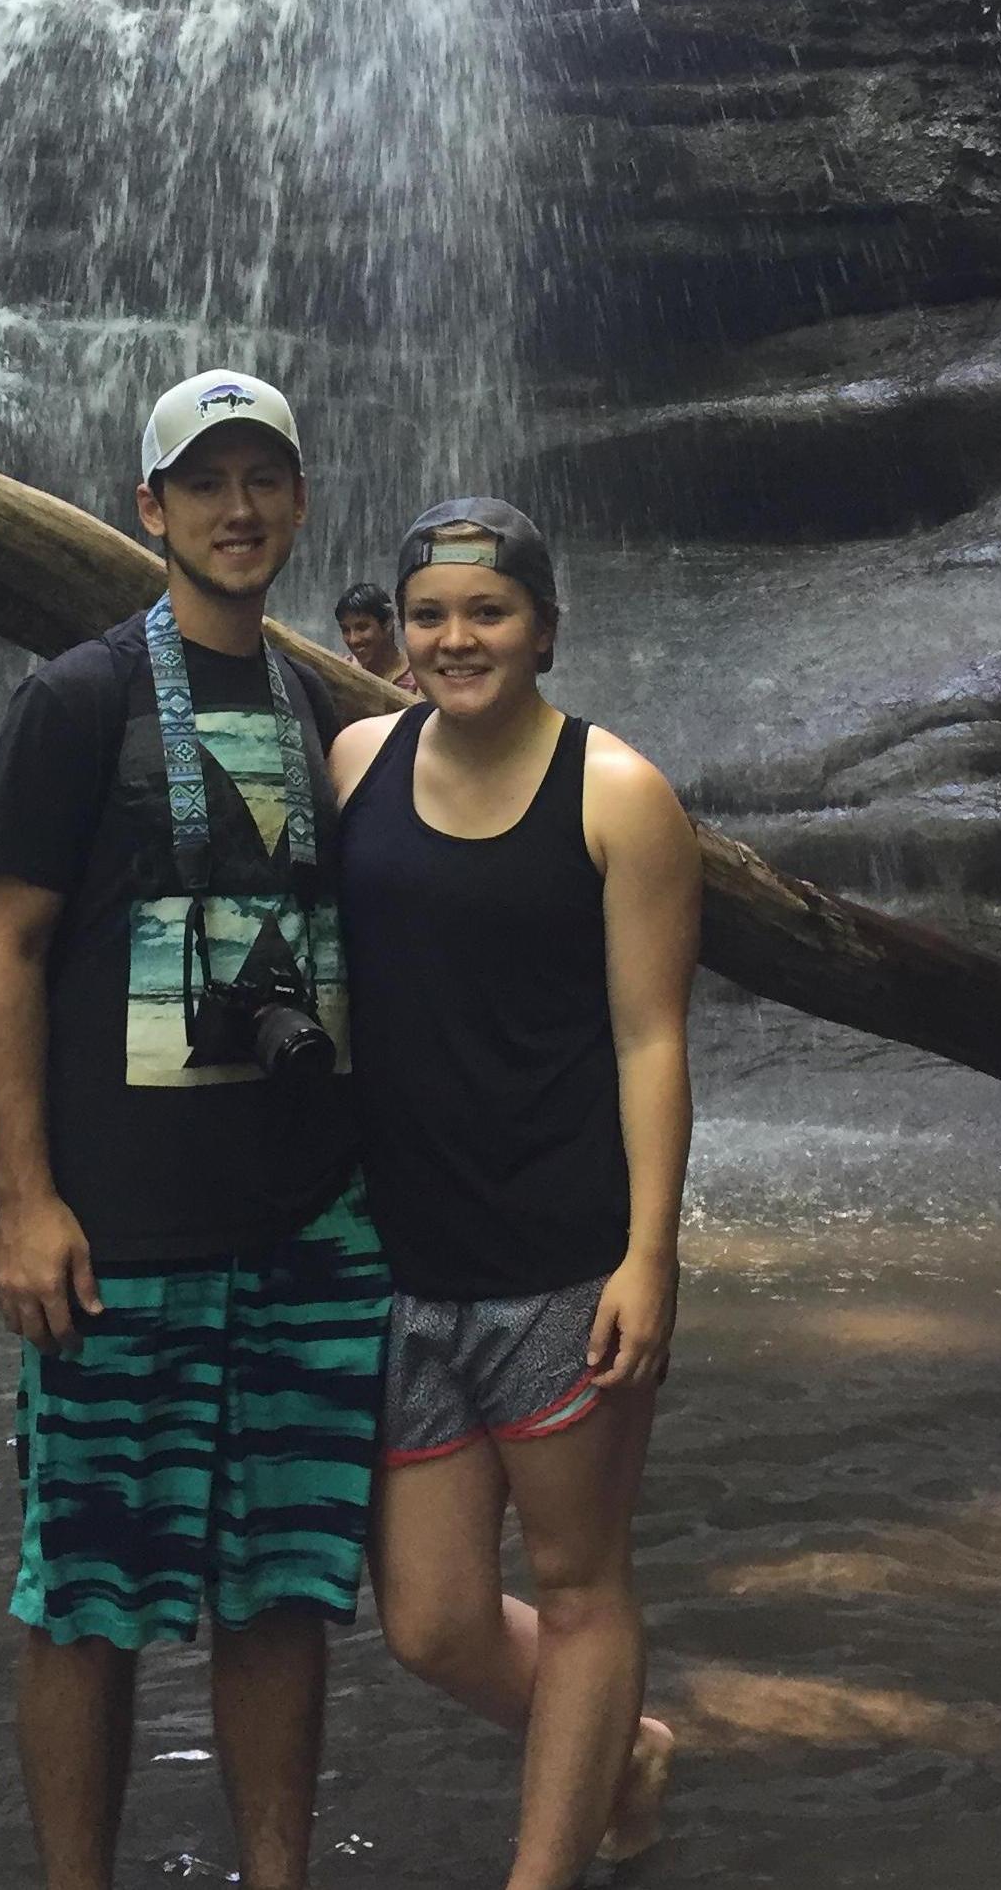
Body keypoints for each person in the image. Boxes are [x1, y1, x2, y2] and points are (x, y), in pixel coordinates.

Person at [0, 369, 390, 1890]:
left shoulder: (328, 716)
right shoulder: (75, 701)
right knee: (84, 1590)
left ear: (295, 497)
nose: (237, 508)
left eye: (261, 478)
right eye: (202, 482)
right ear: (150, 509)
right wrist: (25, 1198)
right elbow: (6, 946)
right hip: (120, 1230)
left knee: (281, 1587)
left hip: (310, 1227)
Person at [329, 497, 701, 1890]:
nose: (453, 637)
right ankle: (626, 1748)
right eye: (429, 614)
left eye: (486, 612)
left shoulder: (617, 795)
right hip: (404, 1253)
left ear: (544, 627)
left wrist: (649, 1253)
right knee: (426, 1619)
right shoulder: (357, 760)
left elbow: (653, 1036)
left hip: (561, 1251)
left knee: (579, 1581)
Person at [334, 579, 416, 693]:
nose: (353, 640)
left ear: (387, 624)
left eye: (362, 628)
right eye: (345, 630)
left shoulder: (418, 679)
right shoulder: (339, 670)